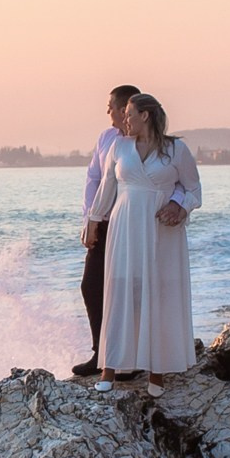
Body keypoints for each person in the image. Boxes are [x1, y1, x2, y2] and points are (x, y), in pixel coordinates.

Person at [85, 92, 201, 396]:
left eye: (129, 115)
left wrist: (180, 206)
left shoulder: (177, 149)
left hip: (162, 229)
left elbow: (193, 188)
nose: (124, 120)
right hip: (125, 226)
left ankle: (157, 373)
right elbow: (107, 187)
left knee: (158, 293)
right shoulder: (119, 146)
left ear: (145, 116)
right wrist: (93, 220)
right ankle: (109, 368)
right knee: (120, 289)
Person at [73, 85, 140, 379]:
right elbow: (94, 178)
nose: (108, 110)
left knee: (128, 288)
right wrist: (91, 218)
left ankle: (131, 358)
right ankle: (100, 353)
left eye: (111, 105)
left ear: (126, 107)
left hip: (132, 223)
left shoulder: (146, 140)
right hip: (104, 222)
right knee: (91, 285)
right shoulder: (106, 137)